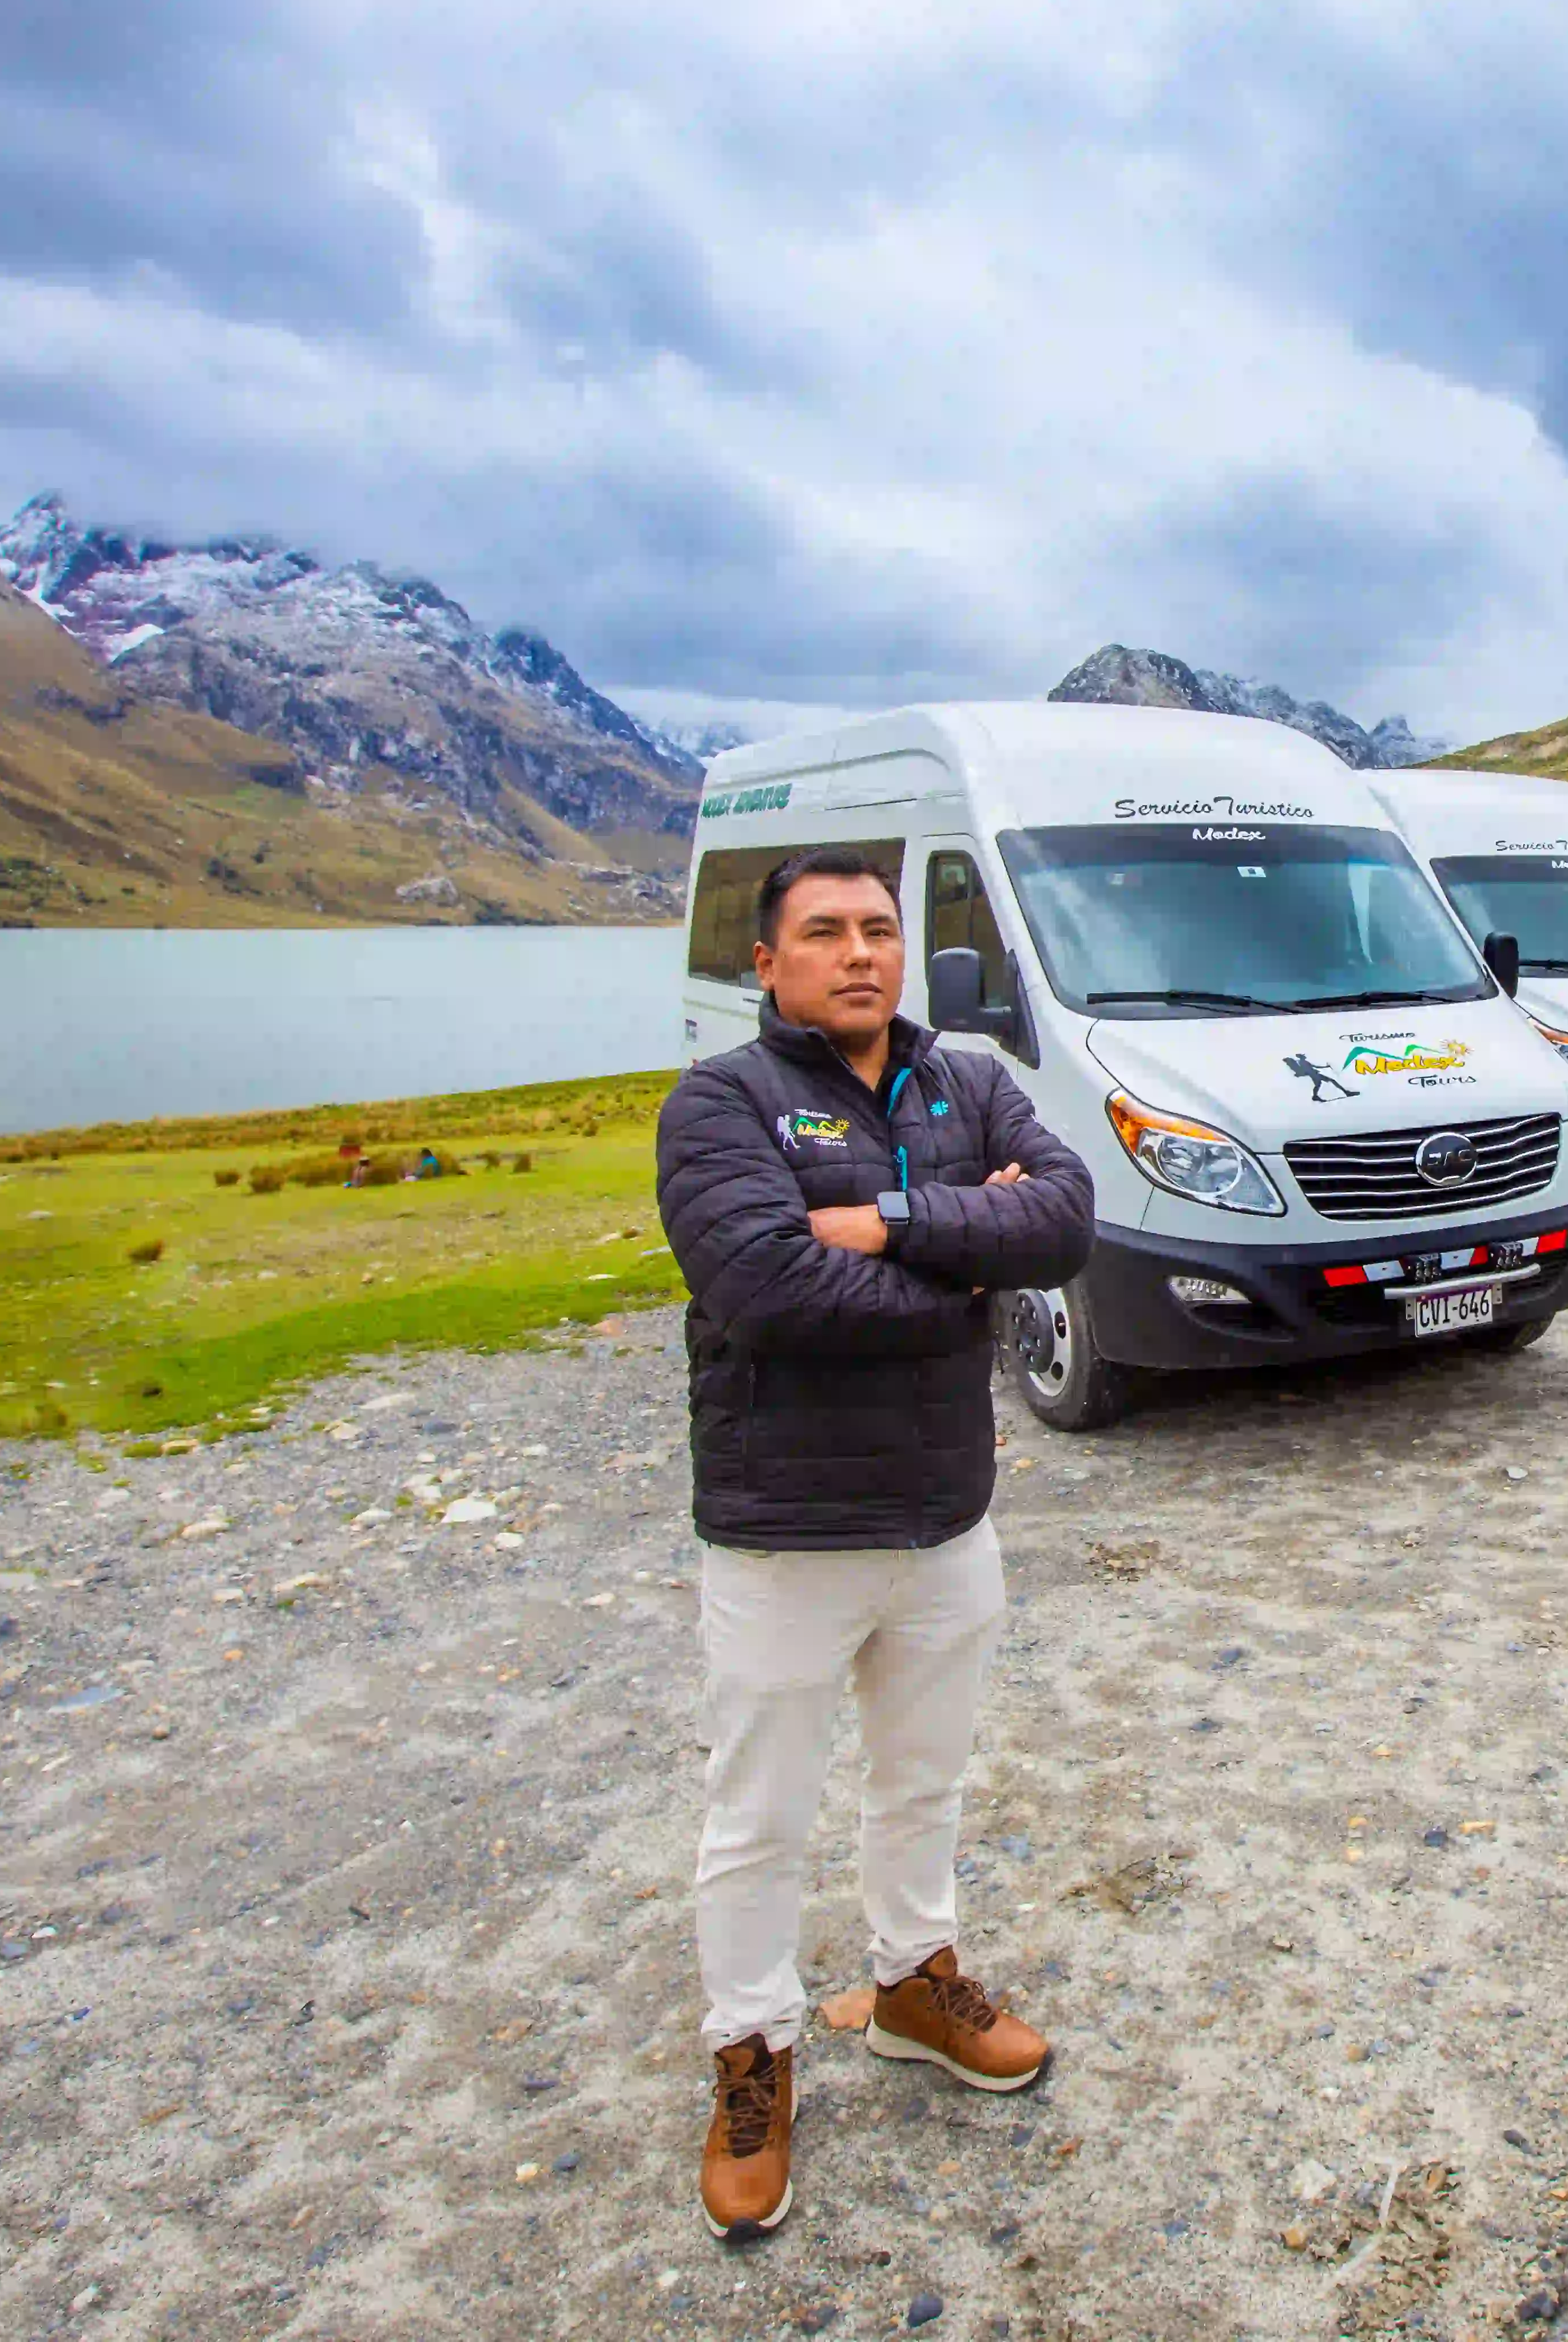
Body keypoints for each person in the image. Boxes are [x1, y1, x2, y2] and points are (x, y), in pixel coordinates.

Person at [653, 844, 1095, 2243]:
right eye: (825, 931)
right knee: (760, 1817)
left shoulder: (965, 1080)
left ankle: (914, 1981)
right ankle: (753, 2054)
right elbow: (771, 1289)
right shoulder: (719, 1103)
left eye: (881, 928)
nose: (860, 951)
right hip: (786, 1531)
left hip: (944, 1517)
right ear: (768, 962)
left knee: (925, 1779)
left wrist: (896, 1219)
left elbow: (1069, 1215)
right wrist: (971, 1277)